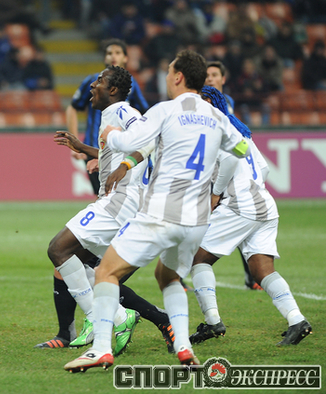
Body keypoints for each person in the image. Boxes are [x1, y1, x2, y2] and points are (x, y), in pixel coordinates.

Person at [64, 50, 251, 372]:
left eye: (168, 72)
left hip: (162, 211)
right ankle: (183, 346)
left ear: (178, 77)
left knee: (105, 272)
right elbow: (241, 148)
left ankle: (101, 349)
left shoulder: (165, 110)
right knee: (168, 277)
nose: (165, 77)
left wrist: (111, 136)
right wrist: (215, 182)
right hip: (197, 219)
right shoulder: (216, 117)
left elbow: (129, 141)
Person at [36, 66, 174, 355]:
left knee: (58, 249)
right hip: (119, 201)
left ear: (112, 90)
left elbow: (150, 140)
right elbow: (116, 151)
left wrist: (124, 166)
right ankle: (135, 318)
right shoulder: (110, 115)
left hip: (120, 201)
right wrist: (82, 147)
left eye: (99, 81)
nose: (92, 86)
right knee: (83, 266)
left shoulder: (123, 111)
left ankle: (111, 318)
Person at [189, 86, 312, 347]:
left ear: (209, 102)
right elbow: (264, 169)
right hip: (264, 204)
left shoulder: (217, 128)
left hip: (240, 206)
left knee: (197, 258)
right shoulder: (240, 129)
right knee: (261, 270)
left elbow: (230, 160)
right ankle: (297, 320)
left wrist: (216, 193)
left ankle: (212, 322)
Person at [205, 60, 262, 290]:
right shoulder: (211, 104)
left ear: (223, 78)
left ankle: (177, 274)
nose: (210, 78)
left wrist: (216, 191)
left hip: (224, 182)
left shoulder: (222, 107)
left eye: (214, 74)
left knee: (200, 248)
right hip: (218, 177)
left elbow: (233, 153)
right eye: (207, 75)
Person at [67, 38, 149, 196]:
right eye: (109, 53)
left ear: (125, 58)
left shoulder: (131, 85)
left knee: (112, 196)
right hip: (94, 146)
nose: (113, 56)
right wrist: (75, 140)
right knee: (105, 195)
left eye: (117, 53)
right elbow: (73, 107)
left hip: (119, 150)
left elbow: (145, 113)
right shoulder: (92, 82)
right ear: (105, 57)